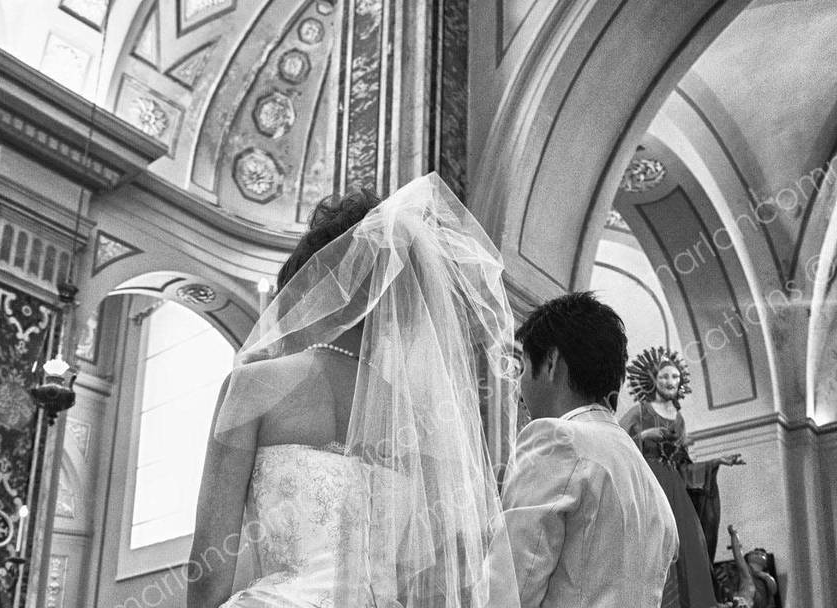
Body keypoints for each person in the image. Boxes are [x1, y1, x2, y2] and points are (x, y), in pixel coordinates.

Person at [187, 173, 522, 608]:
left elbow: (209, 573)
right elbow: (440, 577)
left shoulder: (252, 386)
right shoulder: (421, 421)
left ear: (312, 289)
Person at [500, 292, 678, 608]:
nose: (520, 384)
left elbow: (510, 590)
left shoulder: (556, 439)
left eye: (524, 367)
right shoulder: (649, 481)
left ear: (552, 361)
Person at [619, 347, 745, 608]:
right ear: (653, 379)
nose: (670, 382)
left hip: (673, 485)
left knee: (689, 543)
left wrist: (716, 461)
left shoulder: (678, 418)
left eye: (675, 377)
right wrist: (643, 436)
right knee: (654, 541)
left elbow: (684, 465)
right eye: (665, 376)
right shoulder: (640, 412)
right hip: (648, 482)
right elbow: (616, 443)